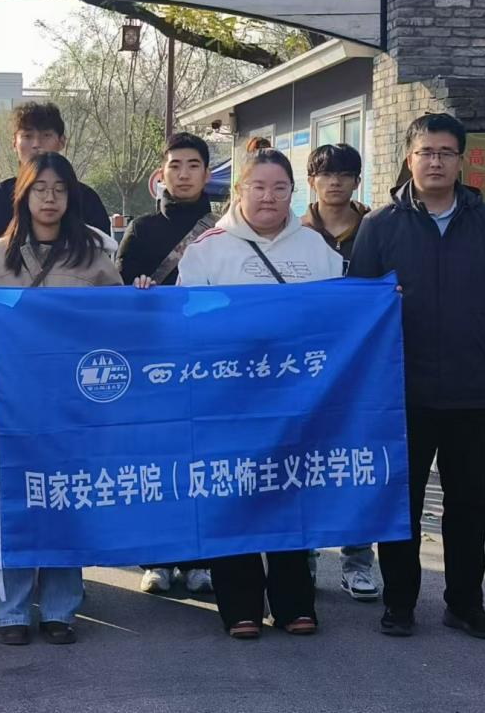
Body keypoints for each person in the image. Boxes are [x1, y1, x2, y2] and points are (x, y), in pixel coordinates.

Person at [350, 113, 485, 640]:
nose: (435, 161)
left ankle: (465, 603)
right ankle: (400, 602)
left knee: (468, 505)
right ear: (409, 158)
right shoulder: (380, 225)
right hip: (402, 390)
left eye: (446, 153)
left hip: (473, 390)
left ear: (460, 161)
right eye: (426, 152)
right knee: (401, 504)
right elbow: (358, 310)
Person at [0, 152, 131, 647]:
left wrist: (139, 294)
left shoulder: (93, 257)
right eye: (39, 188)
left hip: (73, 402)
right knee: (15, 500)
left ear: (71, 197)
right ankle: (10, 609)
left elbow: (120, 322)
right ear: (23, 196)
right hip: (12, 403)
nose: (49, 198)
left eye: (59, 189)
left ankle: (59, 608)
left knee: (66, 498)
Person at [177, 143, 343, 639]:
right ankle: (240, 607)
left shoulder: (318, 250)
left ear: (293, 192)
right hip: (227, 402)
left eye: (279, 187)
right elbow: (187, 325)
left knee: (290, 494)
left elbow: (340, 319)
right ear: (238, 190)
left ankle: (294, 604)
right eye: (258, 186)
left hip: (297, 401)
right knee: (234, 497)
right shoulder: (207, 251)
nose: (268, 197)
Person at [116, 131, 219, 597]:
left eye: (193, 165)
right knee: (156, 459)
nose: (184, 174)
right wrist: (136, 292)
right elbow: (115, 294)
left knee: (202, 459)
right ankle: (156, 557)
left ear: (207, 173)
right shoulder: (141, 229)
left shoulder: (224, 230)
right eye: (175, 165)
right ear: (162, 173)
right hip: (153, 360)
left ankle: (200, 559)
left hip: (205, 360)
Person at [299, 143, 380, 602]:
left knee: (356, 462)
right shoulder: (293, 233)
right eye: (326, 174)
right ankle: (305, 558)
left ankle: (358, 562)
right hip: (306, 367)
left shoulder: (378, 228)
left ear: (356, 181)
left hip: (362, 366)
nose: (335, 182)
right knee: (306, 462)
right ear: (312, 181)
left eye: (345, 174)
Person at [0, 102, 111, 284]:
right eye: (27, 136)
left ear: (62, 142)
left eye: (46, 135)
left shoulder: (86, 200)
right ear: (14, 143)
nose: (36, 144)